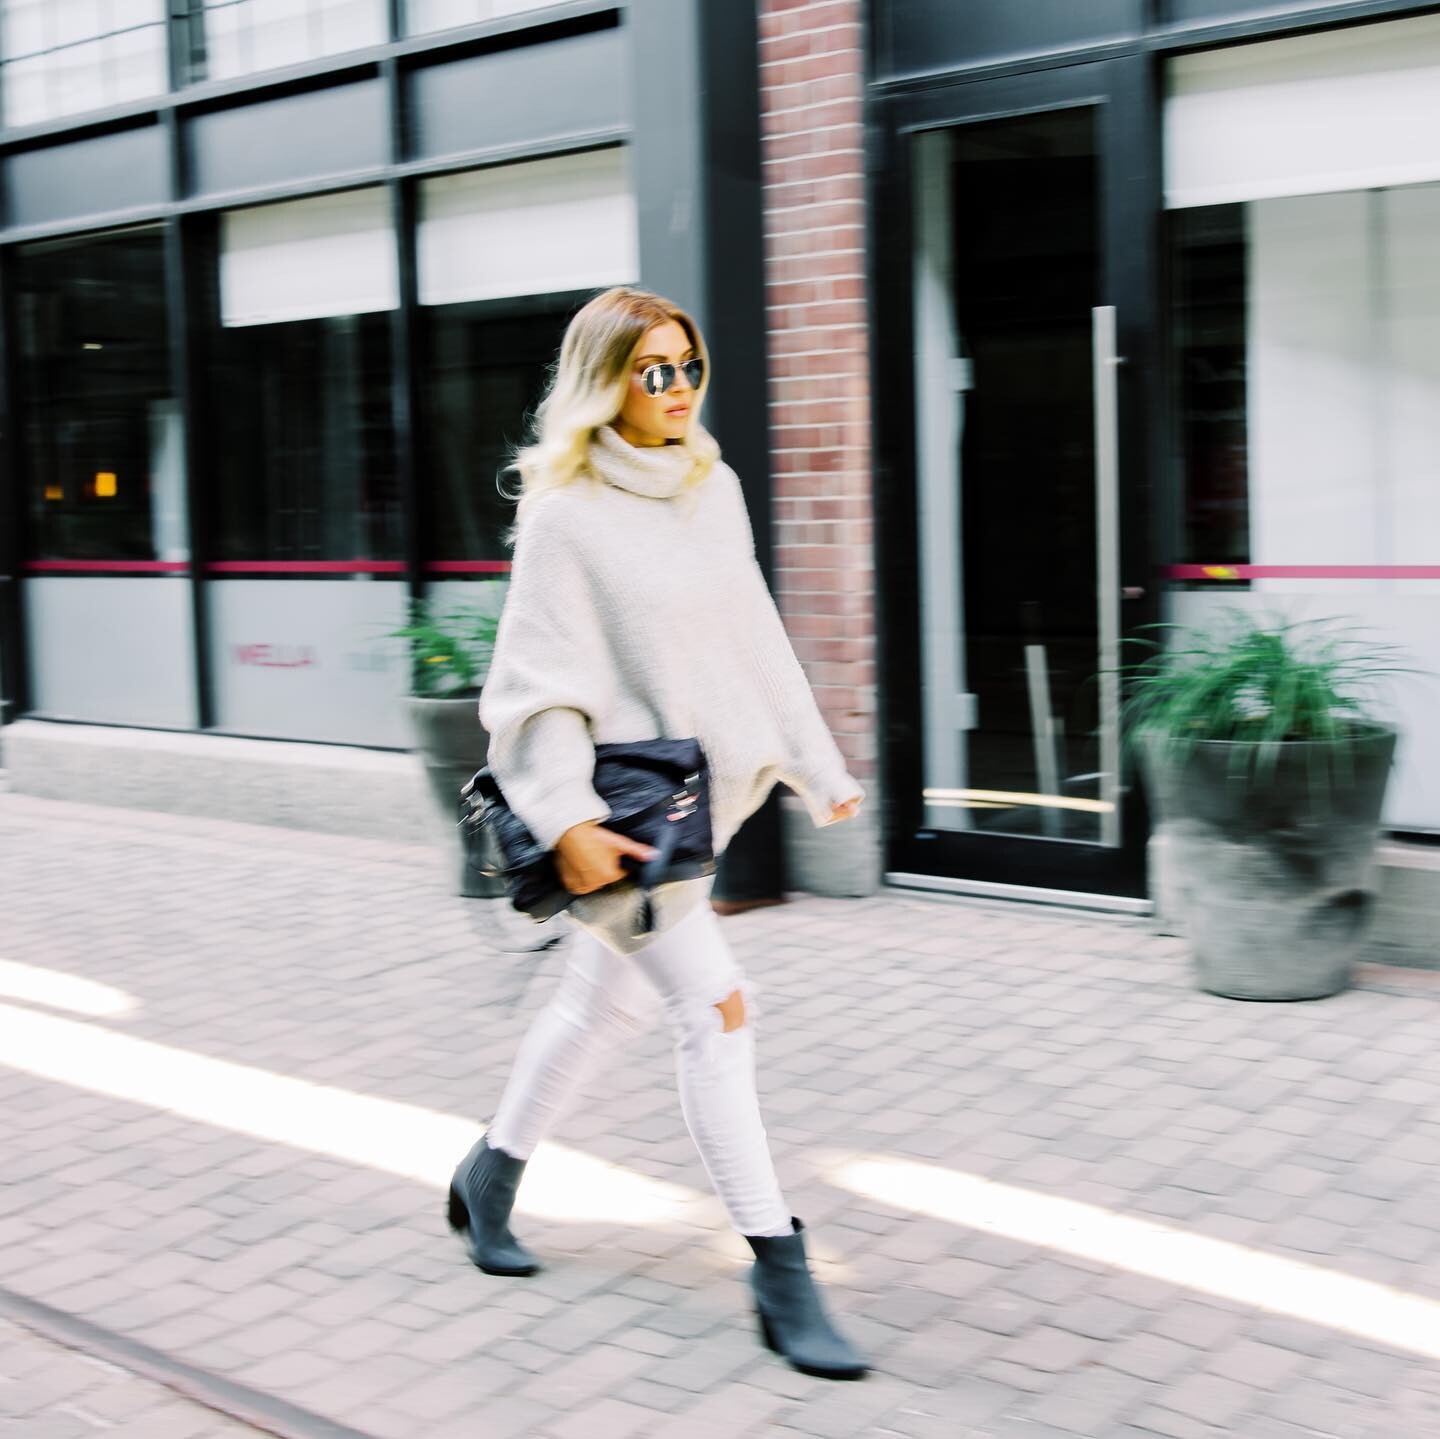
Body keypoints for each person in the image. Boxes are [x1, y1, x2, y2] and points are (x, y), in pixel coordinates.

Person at [445, 286, 868, 1380]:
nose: (678, 389)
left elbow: (754, 634)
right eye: (653, 371)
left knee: (603, 1005)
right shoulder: (568, 515)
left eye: (689, 366)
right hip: (617, 820)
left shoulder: (709, 486)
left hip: (687, 806)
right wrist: (569, 817)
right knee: (718, 1009)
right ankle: (779, 1265)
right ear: (607, 383)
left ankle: (489, 1175)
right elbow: (535, 686)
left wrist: (816, 764)